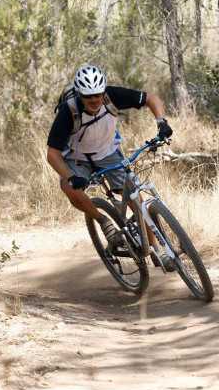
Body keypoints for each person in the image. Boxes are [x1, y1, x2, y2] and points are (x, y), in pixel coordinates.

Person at [46, 64, 175, 270]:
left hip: (107, 153)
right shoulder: (68, 111)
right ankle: (103, 222)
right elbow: (52, 154)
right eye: (89, 97)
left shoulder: (112, 96)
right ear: (80, 95)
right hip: (77, 158)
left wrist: (161, 122)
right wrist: (70, 176)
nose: (95, 100)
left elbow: (151, 98)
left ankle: (156, 249)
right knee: (69, 187)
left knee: (134, 194)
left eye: (98, 95)